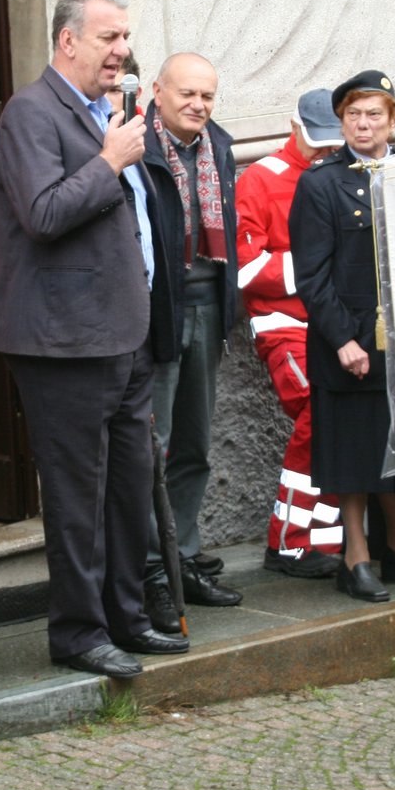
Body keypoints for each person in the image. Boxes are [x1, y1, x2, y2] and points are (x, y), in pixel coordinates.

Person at [0, 0, 186, 679]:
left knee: (131, 484)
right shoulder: (30, 114)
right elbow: (42, 213)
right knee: (79, 495)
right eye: (110, 38)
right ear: (68, 39)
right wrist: (109, 162)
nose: (123, 51)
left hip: (124, 333)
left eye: (127, 37)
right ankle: (78, 631)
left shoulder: (112, 113)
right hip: (62, 340)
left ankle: (127, 616)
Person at [288, 70, 395, 602]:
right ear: (341, 121)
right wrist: (343, 339)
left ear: (394, 119)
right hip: (350, 337)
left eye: (375, 115)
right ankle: (356, 555)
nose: (364, 124)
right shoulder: (320, 183)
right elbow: (311, 276)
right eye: (354, 115)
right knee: (356, 453)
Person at [138, 52, 243, 630]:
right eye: (188, 94)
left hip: (208, 305)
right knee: (153, 448)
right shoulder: (139, 146)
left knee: (195, 446)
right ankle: (154, 570)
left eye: (208, 96)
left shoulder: (218, 145)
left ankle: (184, 557)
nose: (199, 105)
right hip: (160, 311)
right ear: (157, 91)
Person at [235, 88, 344, 579]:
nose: (324, 149)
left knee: (336, 417)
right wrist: (318, 267)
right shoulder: (258, 179)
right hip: (284, 326)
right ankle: (290, 541)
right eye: (317, 139)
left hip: (335, 325)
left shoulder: (340, 172)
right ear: (292, 125)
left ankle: (323, 539)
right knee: (320, 413)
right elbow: (243, 268)